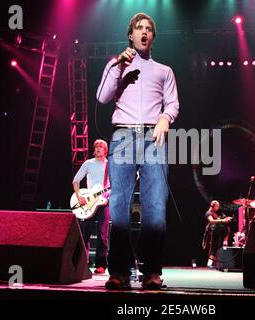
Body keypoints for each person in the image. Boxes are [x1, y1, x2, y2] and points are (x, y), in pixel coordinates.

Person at [96, 13, 179, 290]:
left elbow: (173, 104)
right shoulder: (116, 65)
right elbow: (102, 97)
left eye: (148, 29)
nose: (144, 32)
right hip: (123, 135)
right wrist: (119, 66)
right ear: (130, 35)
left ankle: (152, 272)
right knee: (119, 205)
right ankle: (118, 271)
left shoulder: (164, 71)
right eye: (138, 28)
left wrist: (165, 119)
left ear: (153, 37)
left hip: (153, 139)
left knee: (155, 206)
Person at [72, 139, 110, 275]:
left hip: (103, 203)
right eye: (96, 146)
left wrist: (107, 196)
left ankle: (101, 265)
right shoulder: (89, 163)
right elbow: (76, 180)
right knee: (84, 234)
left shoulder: (110, 165)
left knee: (102, 234)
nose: (98, 148)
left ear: (105, 150)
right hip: (88, 203)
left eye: (101, 146)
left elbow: (114, 184)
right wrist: (78, 196)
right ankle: (82, 263)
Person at [202, 201, 233, 269]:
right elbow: (212, 221)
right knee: (213, 248)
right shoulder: (208, 213)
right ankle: (209, 263)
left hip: (217, 232)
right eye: (217, 206)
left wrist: (226, 219)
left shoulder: (215, 213)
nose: (218, 207)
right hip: (212, 232)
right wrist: (222, 220)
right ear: (212, 206)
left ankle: (215, 263)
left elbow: (218, 221)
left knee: (217, 247)